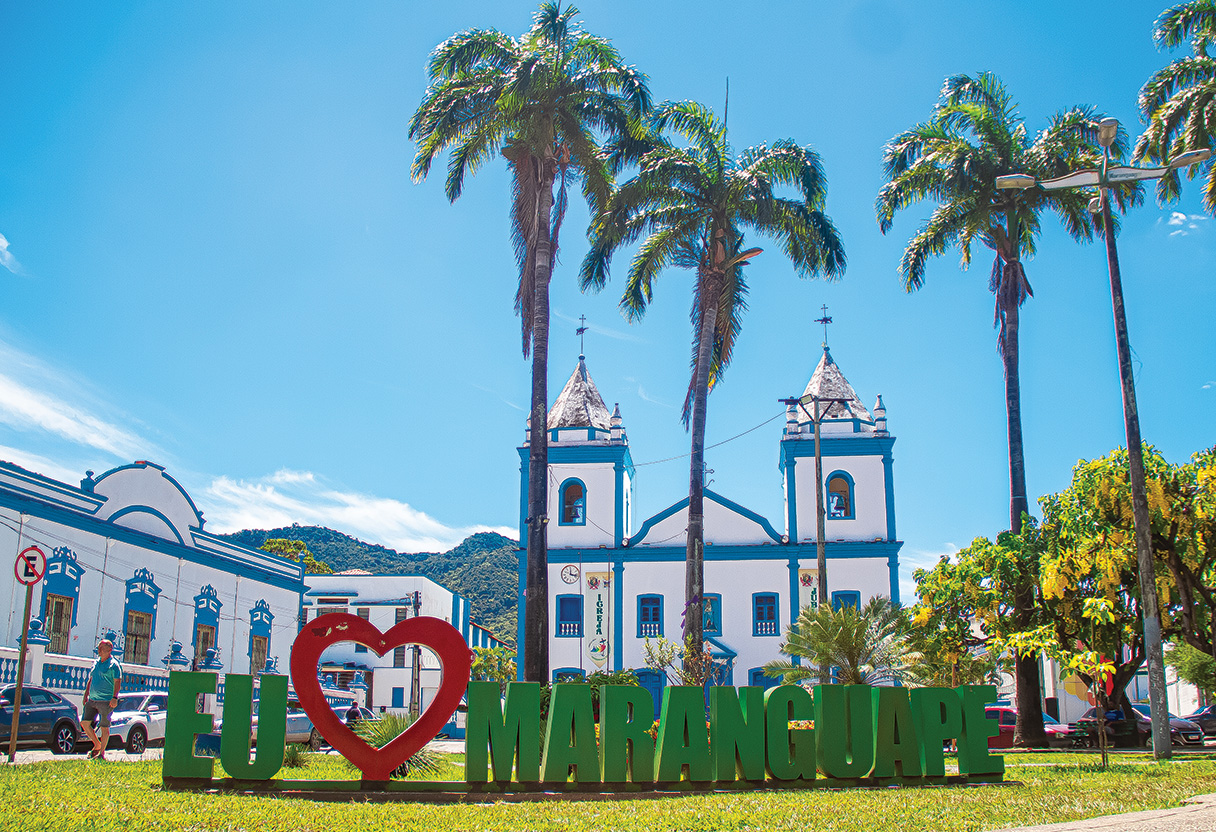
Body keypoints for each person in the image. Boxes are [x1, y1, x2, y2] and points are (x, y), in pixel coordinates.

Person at [81, 639, 122, 760]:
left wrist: (114, 697)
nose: (99, 650)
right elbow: (91, 678)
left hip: (106, 701)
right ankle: (97, 744)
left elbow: (117, 682)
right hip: (92, 699)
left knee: (104, 726)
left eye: (102, 648)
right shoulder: (96, 662)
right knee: (85, 723)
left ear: (109, 650)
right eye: (99, 648)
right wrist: (86, 694)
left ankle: (102, 753)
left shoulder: (113, 665)